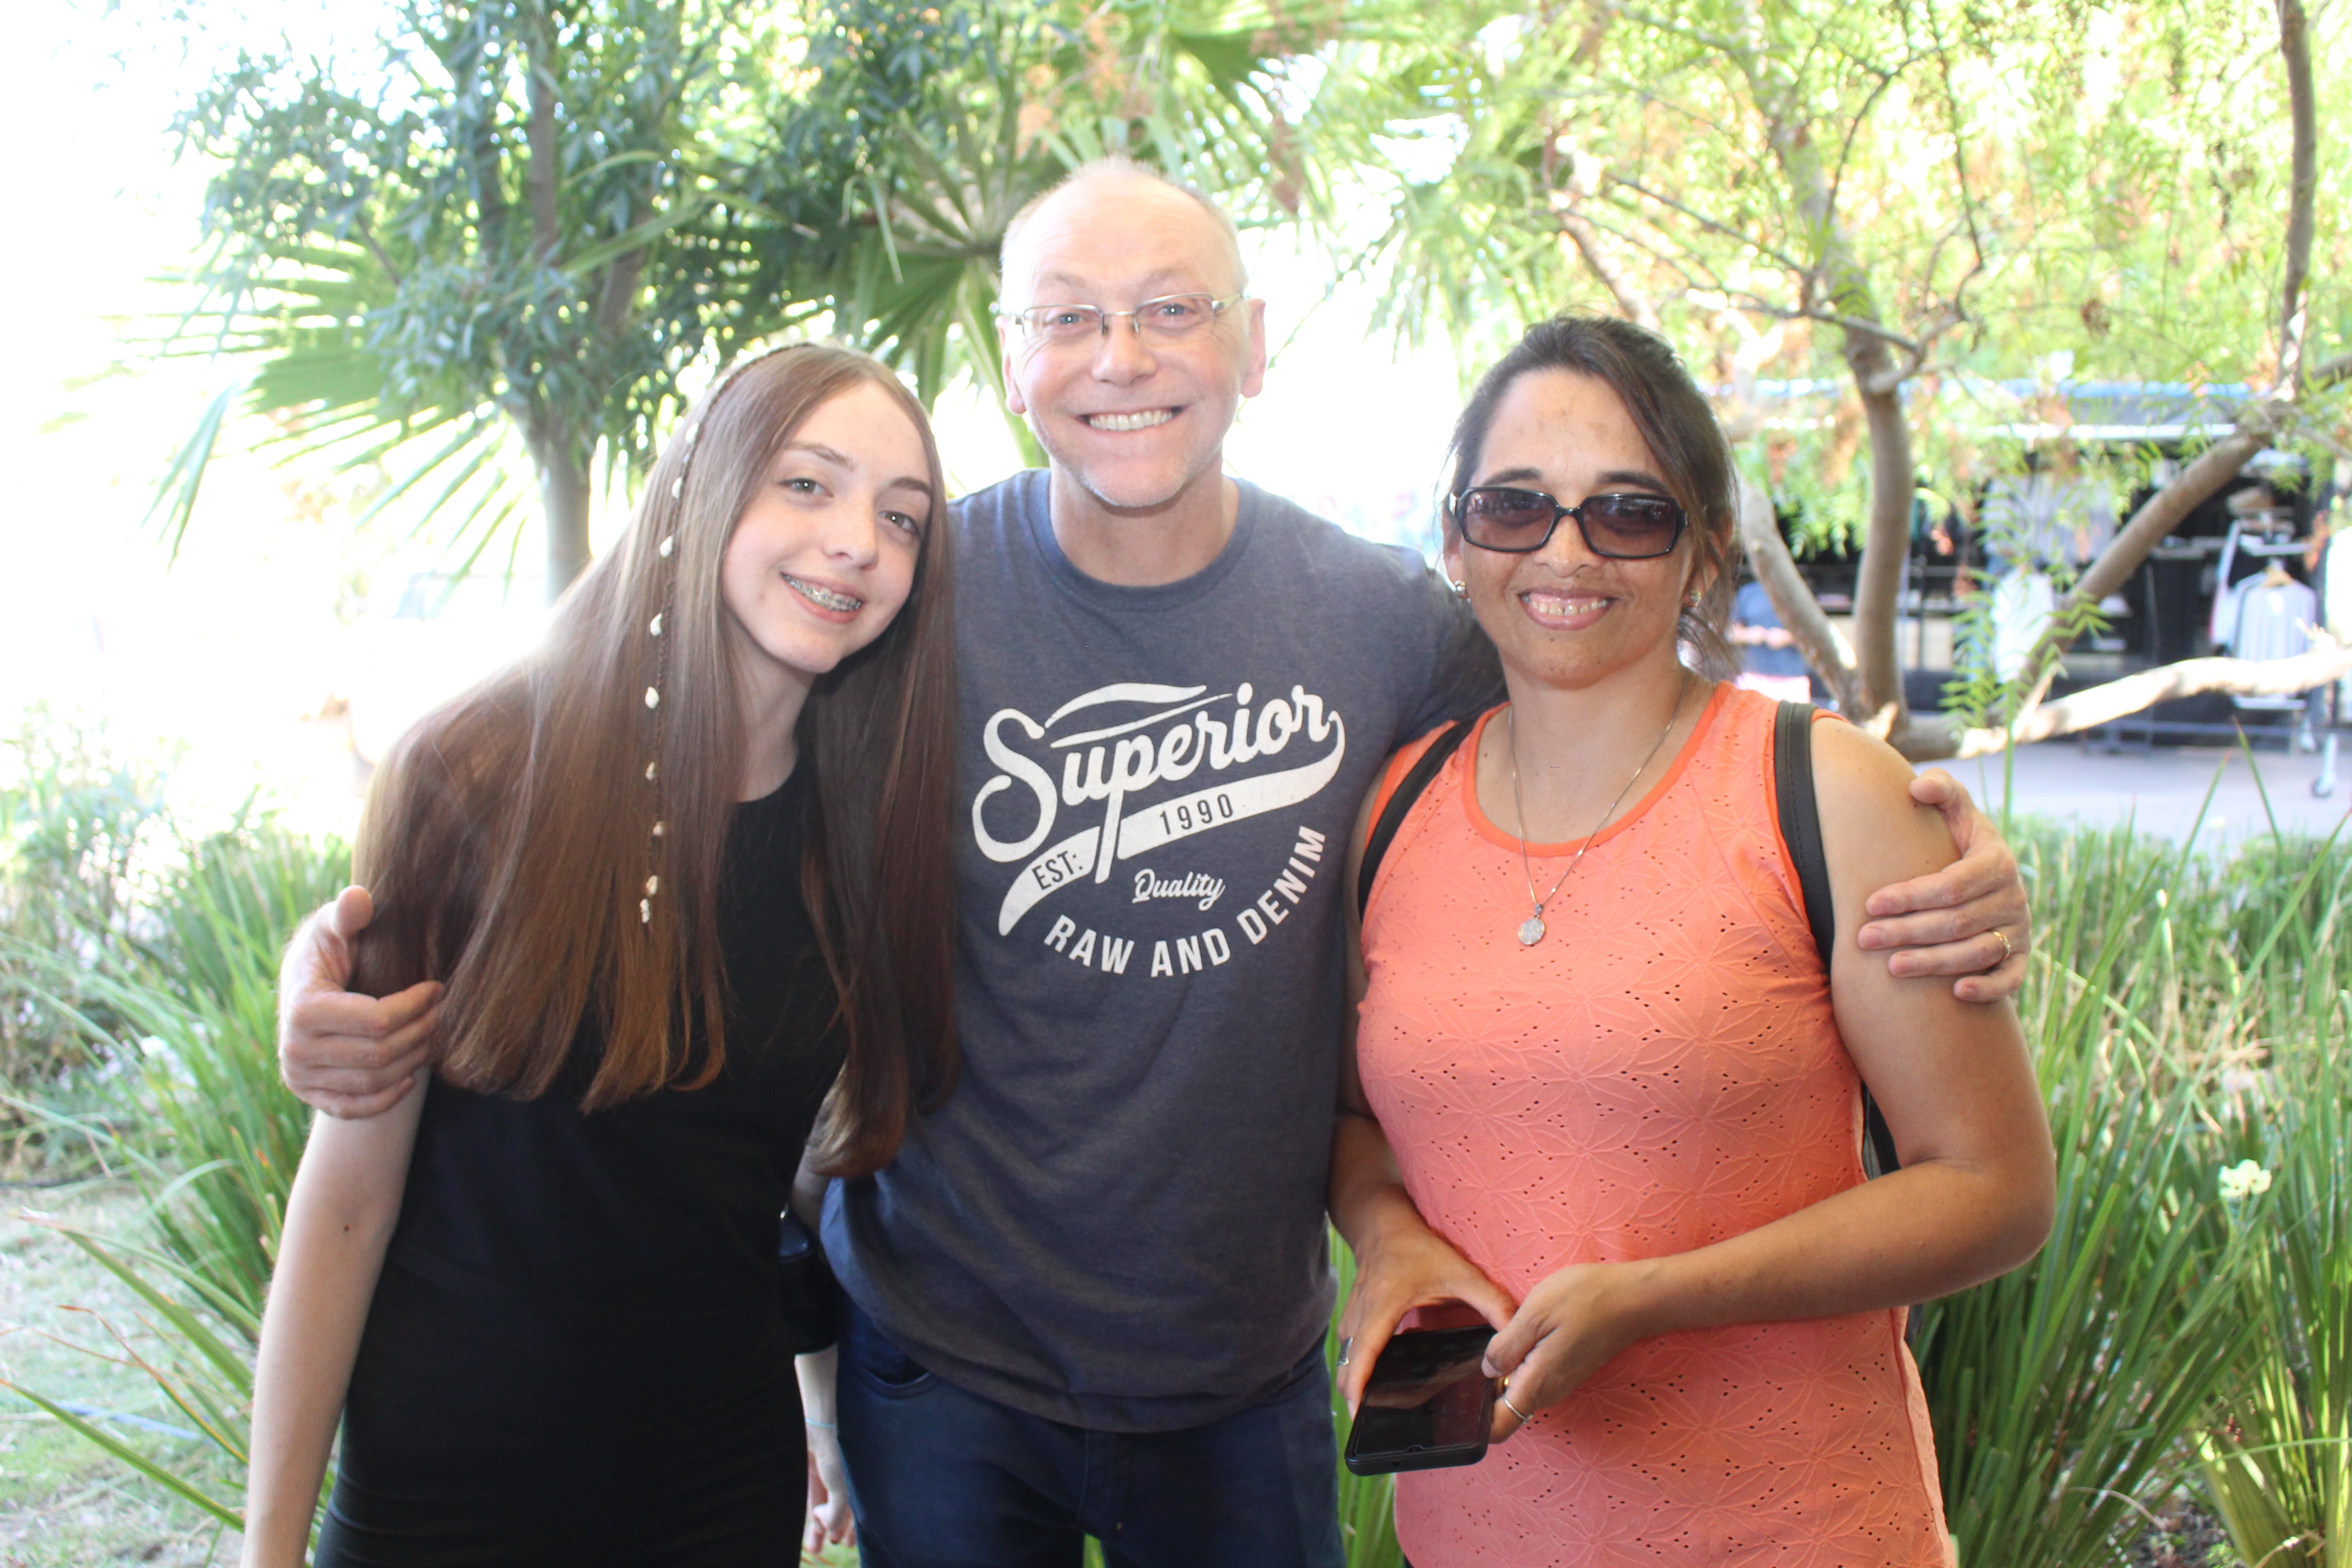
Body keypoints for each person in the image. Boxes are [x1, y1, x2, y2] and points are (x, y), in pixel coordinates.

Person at [275, 162, 2034, 1568]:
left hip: (1240, 1381)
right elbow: (663, 751)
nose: (1123, 358)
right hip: (935, 1370)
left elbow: (1595, 690)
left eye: (1173, 310)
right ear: (1017, 359)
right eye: (1072, 319)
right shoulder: (908, 590)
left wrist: (1930, 825)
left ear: (1254, 346)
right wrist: (343, 967)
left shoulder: (1377, 621)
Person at [1330, 316, 2056, 1565]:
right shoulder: (1394, 810)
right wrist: (1391, 1242)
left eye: (1627, 512)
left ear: (1704, 548)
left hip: (1795, 1533)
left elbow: (1996, 1191)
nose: (1565, 551)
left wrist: (1659, 1299)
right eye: (1515, 507)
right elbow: (1353, 1124)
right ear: (1456, 539)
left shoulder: (1827, 796)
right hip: (1472, 1536)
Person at [240, 343, 959, 1568]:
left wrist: (826, 1409)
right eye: (809, 485)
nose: (859, 541)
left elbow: (773, 1182)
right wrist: (264, 1552)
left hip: (715, 1482)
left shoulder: (860, 838)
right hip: (447, 1482)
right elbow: (348, 1204)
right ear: (703, 488)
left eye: (902, 518)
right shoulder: (473, 773)